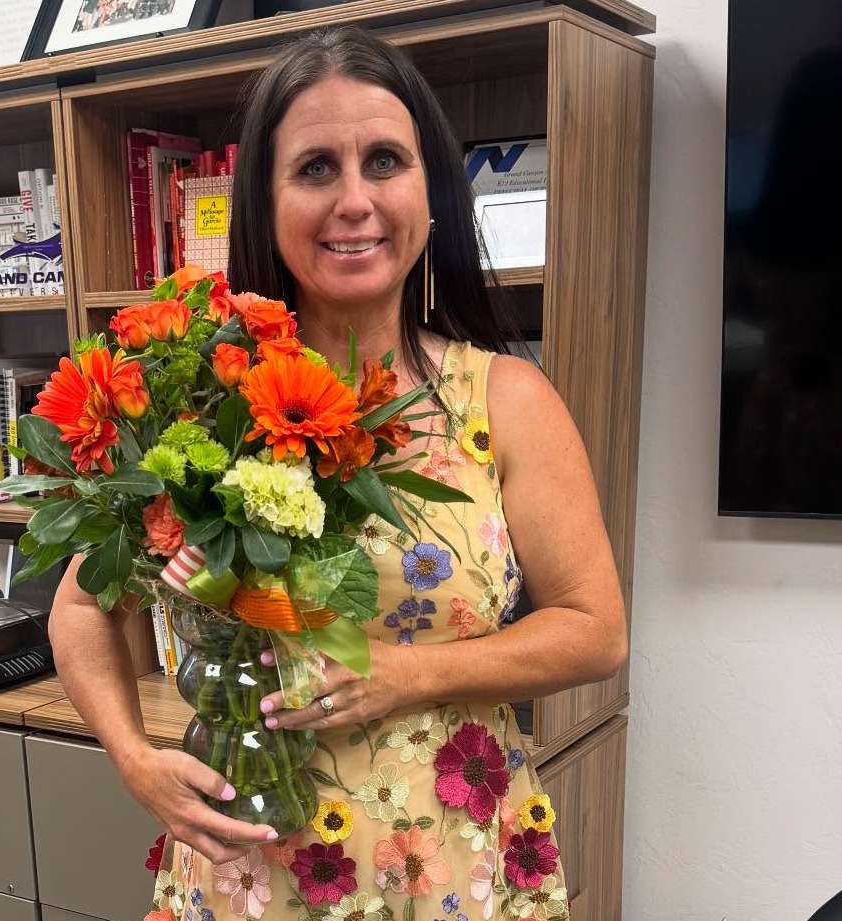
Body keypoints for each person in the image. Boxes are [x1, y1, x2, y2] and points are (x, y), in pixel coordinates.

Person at [48, 26, 627, 921]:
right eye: (315, 167)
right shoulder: (200, 409)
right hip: (251, 876)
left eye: (385, 160)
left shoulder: (504, 401)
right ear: (265, 203)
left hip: (451, 870)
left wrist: (410, 673)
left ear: (429, 194)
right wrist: (133, 759)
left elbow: (595, 631)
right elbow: (82, 607)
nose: (353, 199)